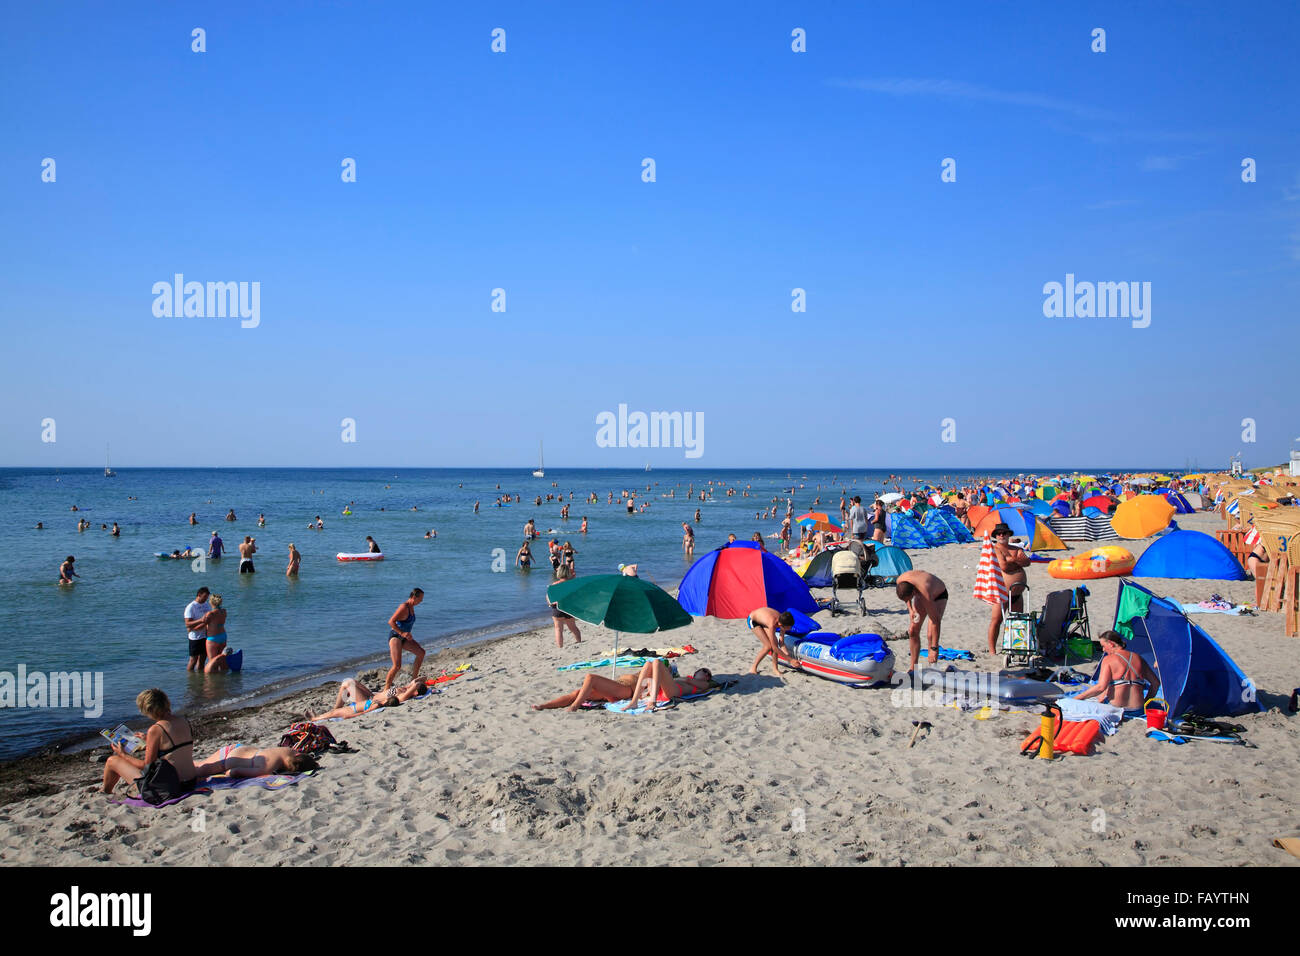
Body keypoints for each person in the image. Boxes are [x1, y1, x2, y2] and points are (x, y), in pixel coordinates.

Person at [101, 688, 198, 798]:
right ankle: (104, 790)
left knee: (112, 761)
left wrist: (123, 754)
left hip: (170, 786)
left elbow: (146, 766)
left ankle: (105, 792)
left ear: (149, 709)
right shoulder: (183, 721)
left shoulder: (156, 729)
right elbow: (174, 747)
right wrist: (148, 739)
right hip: (190, 782)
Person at [1074, 630, 1159, 710]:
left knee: (1099, 694)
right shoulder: (1139, 658)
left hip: (1115, 708)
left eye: (1103, 646)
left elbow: (1100, 687)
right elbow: (1156, 683)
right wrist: (1146, 701)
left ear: (1111, 644)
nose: (1103, 650)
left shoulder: (1108, 659)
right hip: (1138, 708)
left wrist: (1077, 698)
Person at [895, 570, 949, 674]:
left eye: (910, 598)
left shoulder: (925, 592)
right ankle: (913, 668)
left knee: (930, 634)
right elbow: (906, 598)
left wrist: (934, 647)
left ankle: (933, 666)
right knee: (912, 631)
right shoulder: (900, 581)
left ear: (913, 592)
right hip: (919, 592)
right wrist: (910, 610)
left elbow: (935, 621)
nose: (909, 599)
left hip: (939, 595)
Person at [987, 523, 1030, 655]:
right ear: (996, 536)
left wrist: (1013, 560)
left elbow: (1027, 562)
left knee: (1017, 620)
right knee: (996, 620)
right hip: (1002, 592)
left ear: (1008, 534)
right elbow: (1003, 566)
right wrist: (1017, 561)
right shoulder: (996, 549)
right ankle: (992, 650)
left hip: (1018, 593)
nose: (1001, 535)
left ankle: (1015, 646)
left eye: (1004, 533)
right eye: (999, 533)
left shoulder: (1015, 548)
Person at [307, 676, 428, 720]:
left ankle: (335, 709)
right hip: (372, 695)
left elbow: (417, 684)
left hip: (367, 701)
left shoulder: (403, 696)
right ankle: (335, 710)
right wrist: (415, 684)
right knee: (351, 681)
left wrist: (416, 687)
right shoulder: (406, 689)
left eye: (414, 688)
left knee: (347, 683)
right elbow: (421, 679)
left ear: (415, 692)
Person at [623, 659, 715, 710]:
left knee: (657, 662)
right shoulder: (686, 678)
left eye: (709, 674)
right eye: (705, 671)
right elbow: (684, 679)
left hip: (673, 692)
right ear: (696, 672)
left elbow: (688, 680)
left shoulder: (705, 684)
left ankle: (652, 702)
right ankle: (634, 702)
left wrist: (672, 677)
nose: (707, 674)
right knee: (648, 664)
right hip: (660, 691)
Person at [193, 744, 317, 780]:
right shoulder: (267, 768)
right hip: (227, 760)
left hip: (236, 748)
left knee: (199, 764)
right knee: (197, 770)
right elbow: (234, 772)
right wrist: (228, 773)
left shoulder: (288, 750)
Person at [385, 588, 425, 689]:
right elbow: (391, 621)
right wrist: (402, 633)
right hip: (395, 637)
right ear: (414, 597)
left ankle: (413, 680)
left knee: (421, 653)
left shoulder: (412, 607)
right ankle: (386, 688)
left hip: (404, 638)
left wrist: (407, 634)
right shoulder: (404, 607)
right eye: (420, 599)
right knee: (397, 666)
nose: (421, 601)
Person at [747, 607, 794, 677]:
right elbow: (774, 648)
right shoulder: (772, 624)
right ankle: (753, 668)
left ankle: (775, 669)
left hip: (764, 619)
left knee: (774, 642)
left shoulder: (783, 620)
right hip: (753, 620)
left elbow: (781, 642)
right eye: (788, 627)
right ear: (781, 625)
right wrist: (790, 660)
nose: (790, 629)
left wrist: (787, 654)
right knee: (768, 646)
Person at [549, 565, 582, 647]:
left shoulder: (555, 584)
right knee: (573, 627)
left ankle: (560, 646)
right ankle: (579, 642)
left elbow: (550, 597)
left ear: (558, 572)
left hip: (558, 608)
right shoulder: (572, 583)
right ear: (568, 572)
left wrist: (550, 603)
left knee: (558, 629)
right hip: (569, 607)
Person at [184, 586, 212, 671]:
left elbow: (209, 619)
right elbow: (187, 624)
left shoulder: (206, 605)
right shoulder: (191, 607)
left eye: (207, 598)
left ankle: (200, 679)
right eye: (204, 597)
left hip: (205, 636)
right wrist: (201, 620)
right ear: (199, 595)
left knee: (202, 659)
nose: (205, 599)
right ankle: (190, 679)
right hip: (195, 637)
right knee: (193, 660)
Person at [1244, 525, 1269, 605]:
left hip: (1260, 560)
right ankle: (1259, 602)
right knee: (1260, 582)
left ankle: (1260, 602)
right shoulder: (1266, 537)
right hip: (1255, 559)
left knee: (1261, 582)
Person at [201, 594, 228, 662]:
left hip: (213, 638)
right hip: (223, 636)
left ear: (211, 602)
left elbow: (203, 623)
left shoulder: (210, 614)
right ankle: (223, 672)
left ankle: (212, 673)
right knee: (222, 660)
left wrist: (192, 628)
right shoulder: (224, 611)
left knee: (212, 661)